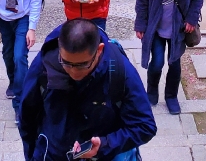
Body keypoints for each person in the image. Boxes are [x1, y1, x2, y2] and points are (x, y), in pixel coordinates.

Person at [18, 18, 157, 161]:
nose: (73, 72)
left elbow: (145, 126)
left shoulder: (120, 71)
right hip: (54, 154)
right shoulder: (43, 65)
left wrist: (105, 144)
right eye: (66, 63)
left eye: (82, 65)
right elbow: (26, 118)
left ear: (99, 50)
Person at [134, 0, 204, 115]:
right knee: (156, 62)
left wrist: (191, 18)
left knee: (174, 63)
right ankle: (151, 91)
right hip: (156, 27)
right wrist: (140, 24)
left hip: (178, 28)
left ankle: (171, 97)